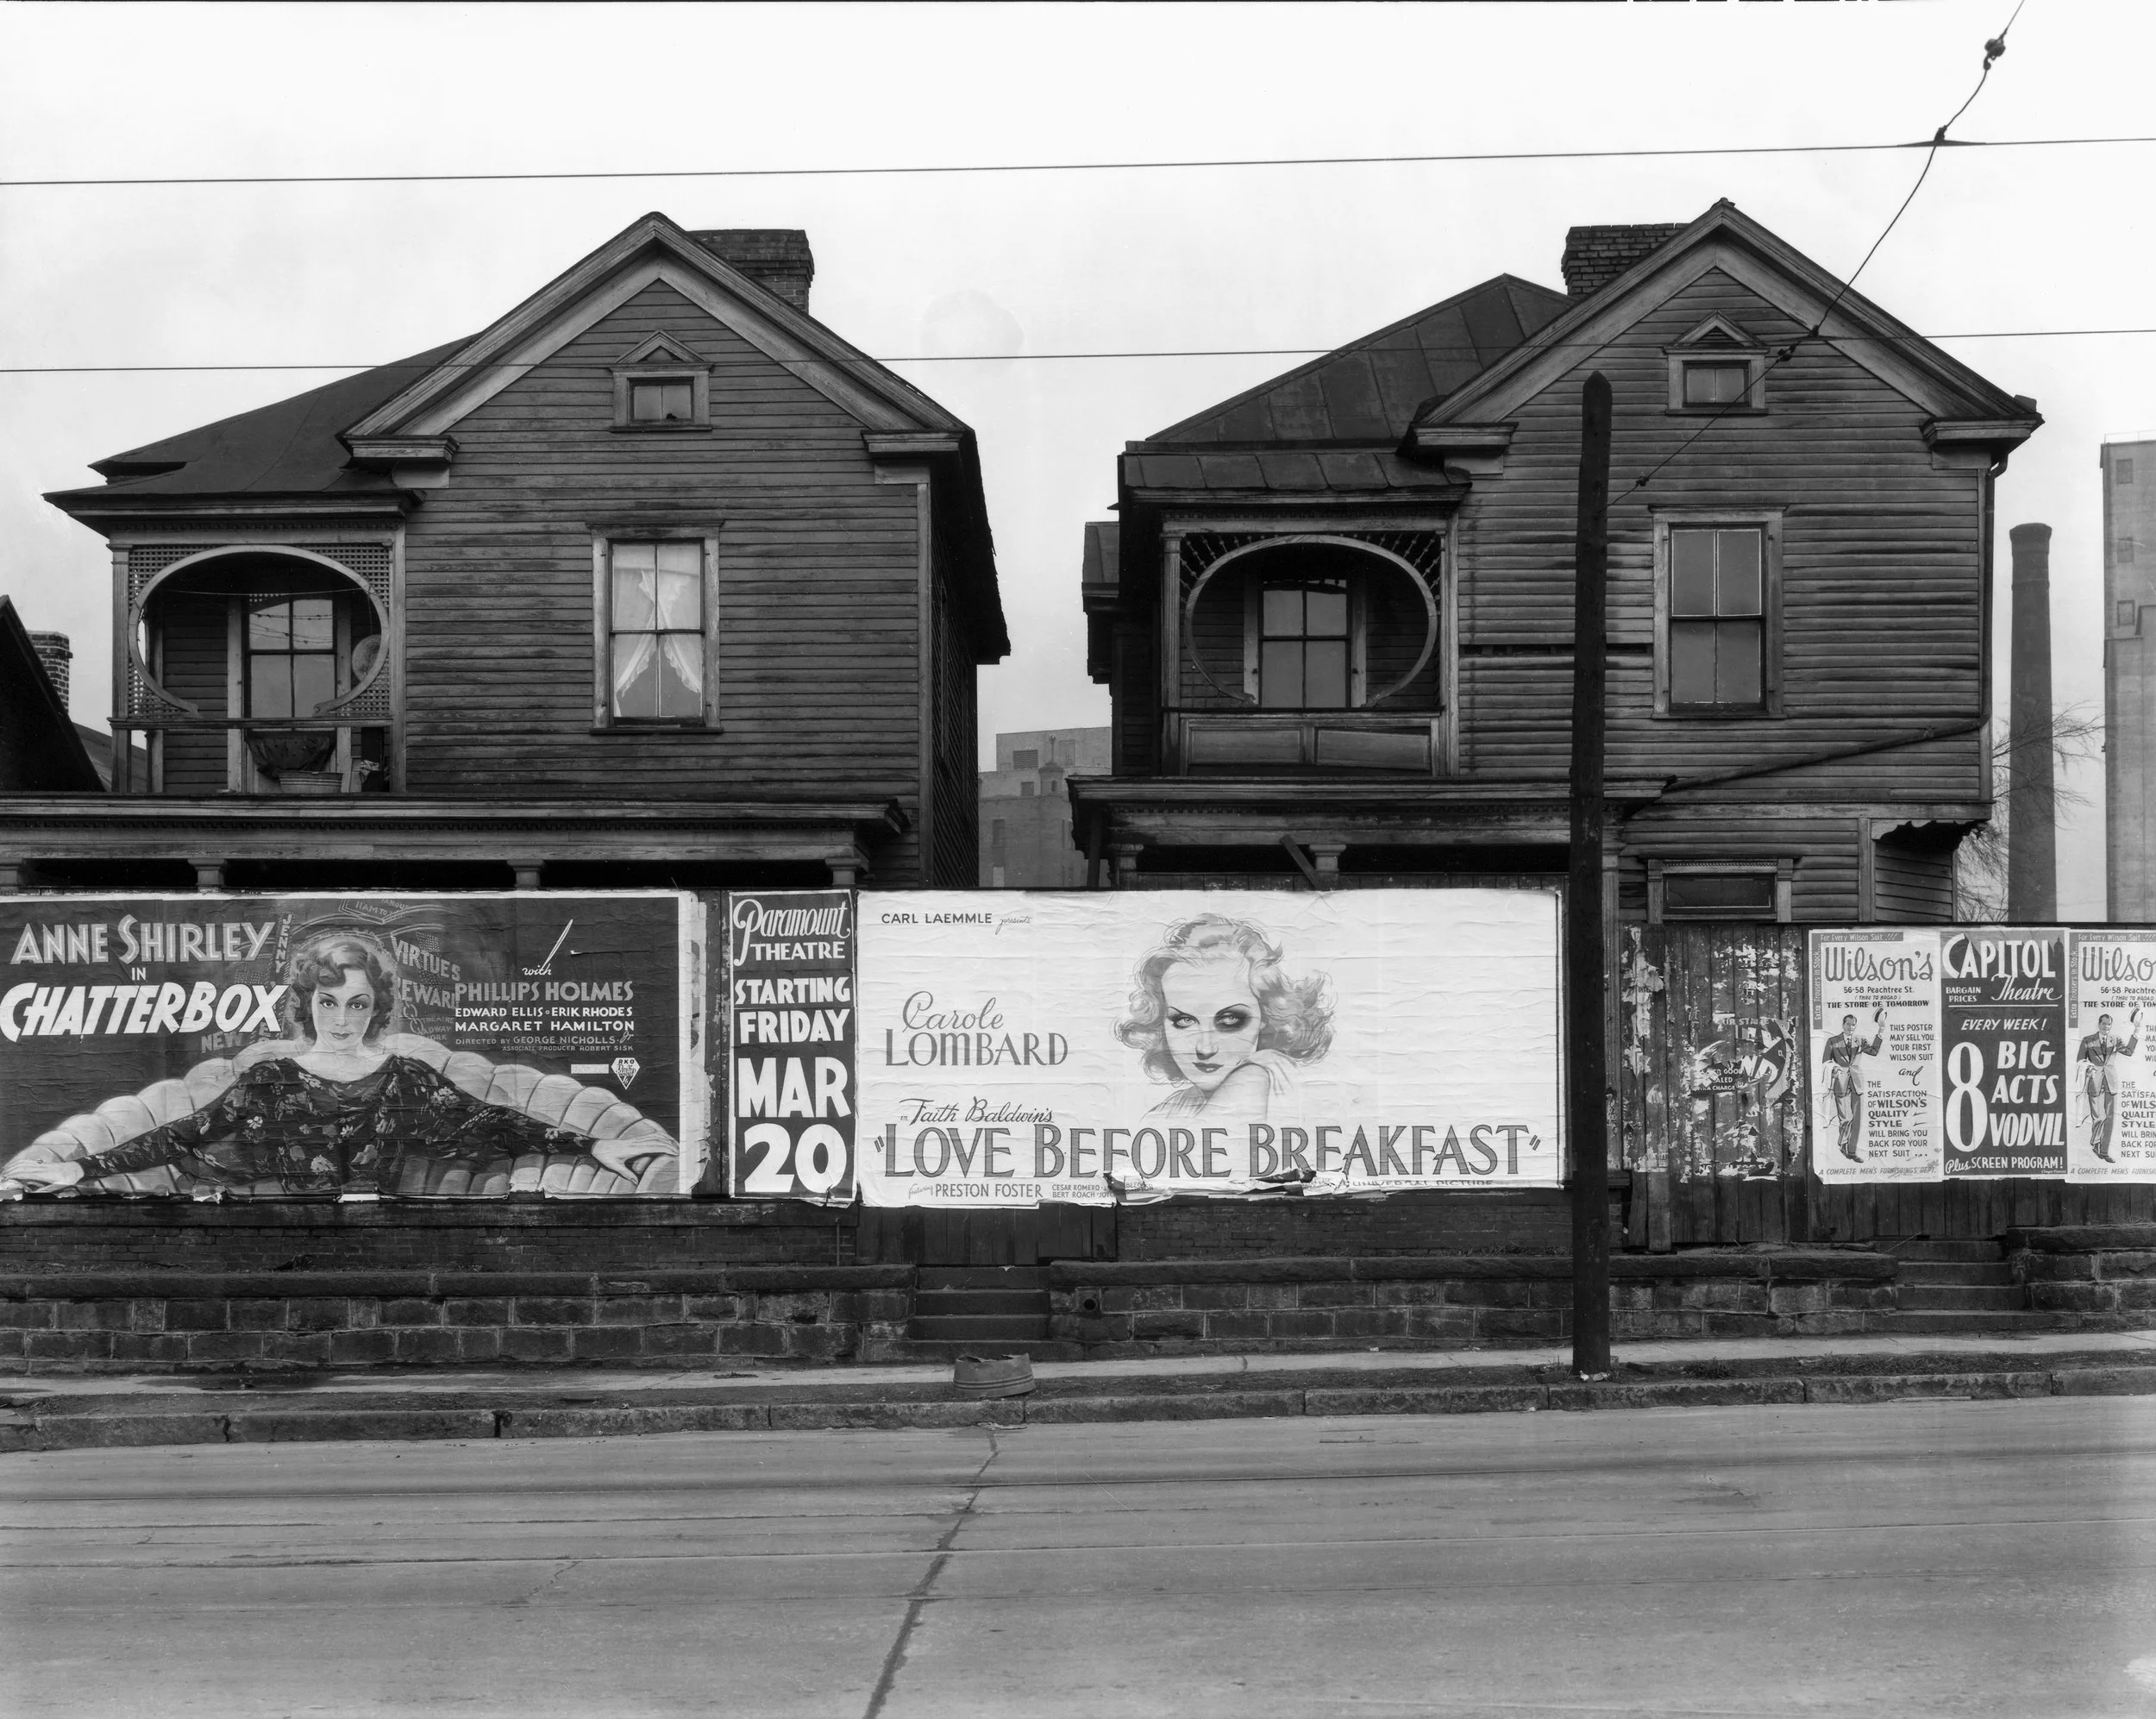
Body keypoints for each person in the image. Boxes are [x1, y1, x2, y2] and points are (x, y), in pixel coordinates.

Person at [3, 932, 666, 1196]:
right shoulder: (270, 1080)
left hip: (385, 1238)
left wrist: (592, 1141)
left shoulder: (407, 1077)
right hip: (285, 1239)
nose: (341, 1017)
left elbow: (495, 1120)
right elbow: (183, 1135)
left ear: (376, 1008)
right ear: (308, 1002)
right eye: (327, 1000)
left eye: (357, 1002)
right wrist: (81, 1166)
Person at [1115, 914, 1333, 1126]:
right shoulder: (1175, 1107)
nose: (1205, 1048)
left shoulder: (1259, 1074)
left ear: (1265, 1017)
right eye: (1184, 1021)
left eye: (1230, 1019)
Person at [2078, 1007, 2143, 1164]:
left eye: (2109, 1025)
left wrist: (2136, 1031)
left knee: (2110, 1118)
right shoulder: (2088, 1040)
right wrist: (2089, 1067)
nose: (2106, 1027)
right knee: (2099, 1117)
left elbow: (2128, 1052)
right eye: (2104, 1024)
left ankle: (2104, 1151)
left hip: (2111, 1082)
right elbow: (2080, 1061)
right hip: (2094, 1082)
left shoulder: (2115, 1039)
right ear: (2099, 1024)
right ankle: (2095, 1143)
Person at [1821, 1007, 1885, 1162]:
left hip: (1857, 1083)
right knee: (1846, 1118)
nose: (1851, 1027)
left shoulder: (1860, 1041)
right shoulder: (1832, 1041)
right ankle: (1843, 1143)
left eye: (1853, 1025)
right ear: (1843, 1025)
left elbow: (1874, 1051)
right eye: (1848, 1024)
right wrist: (1834, 1068)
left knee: (1857, 1119)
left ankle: (1851, 1152)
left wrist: (1881, 1029)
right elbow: (1825, 1061)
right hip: (1840, 1084)